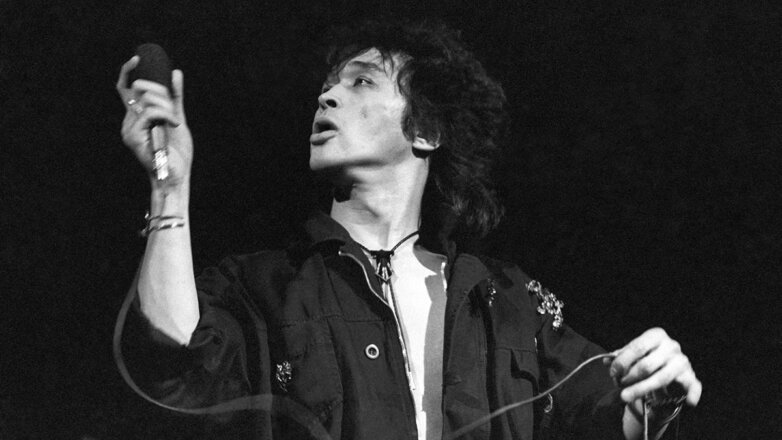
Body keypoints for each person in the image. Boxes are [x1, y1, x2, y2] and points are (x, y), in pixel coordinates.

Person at [115, 19, 701, 440]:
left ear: (426, 132)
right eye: (329, 85)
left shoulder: (507, 301)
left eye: (362, 82)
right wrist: (170, 187)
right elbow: (173, 366)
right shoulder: (262, 285)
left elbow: (606, 416)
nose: (327, 95)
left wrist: (656, 394)